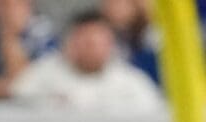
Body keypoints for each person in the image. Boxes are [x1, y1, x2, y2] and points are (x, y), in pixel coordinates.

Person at [11, 10, 163, 114]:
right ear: (67, 43)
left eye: (94, 43)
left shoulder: (131, 82)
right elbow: (16, 106)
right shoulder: (42, 75)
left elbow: (151, 117)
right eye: (82, 41)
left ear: (111, 45)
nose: (88, 49)